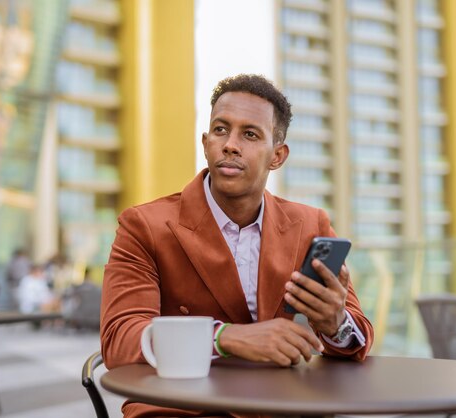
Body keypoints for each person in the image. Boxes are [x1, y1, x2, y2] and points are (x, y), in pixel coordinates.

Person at [100, 74, 374, 417]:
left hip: (281, 407)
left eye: (250, 134)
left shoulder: (310, 225)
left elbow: (357, 338)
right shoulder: (144, 226)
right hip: (181, 410)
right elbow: (119, 339)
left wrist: (335, 322)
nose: (230, 144)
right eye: (220, 129)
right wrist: (225, 338)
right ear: (205, 143)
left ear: (277, 156)